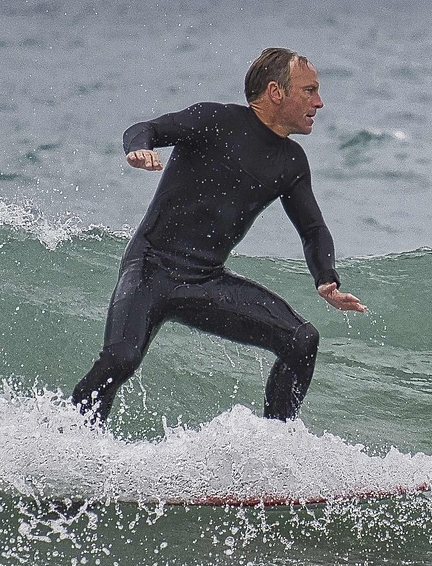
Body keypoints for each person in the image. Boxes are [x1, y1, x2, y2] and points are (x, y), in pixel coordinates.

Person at [71, 47, 366, 424]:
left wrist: (326, 278)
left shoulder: (291, 161)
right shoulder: (215, 120)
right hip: (151, 268)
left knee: (301, 340)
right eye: (309, 91)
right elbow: (146, 129)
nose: (319, 102)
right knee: (120, 358)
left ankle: (273, 450)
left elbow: (312, 229)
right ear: (276, 92)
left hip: (204, 281)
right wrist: (139, 149)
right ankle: (73, 438)